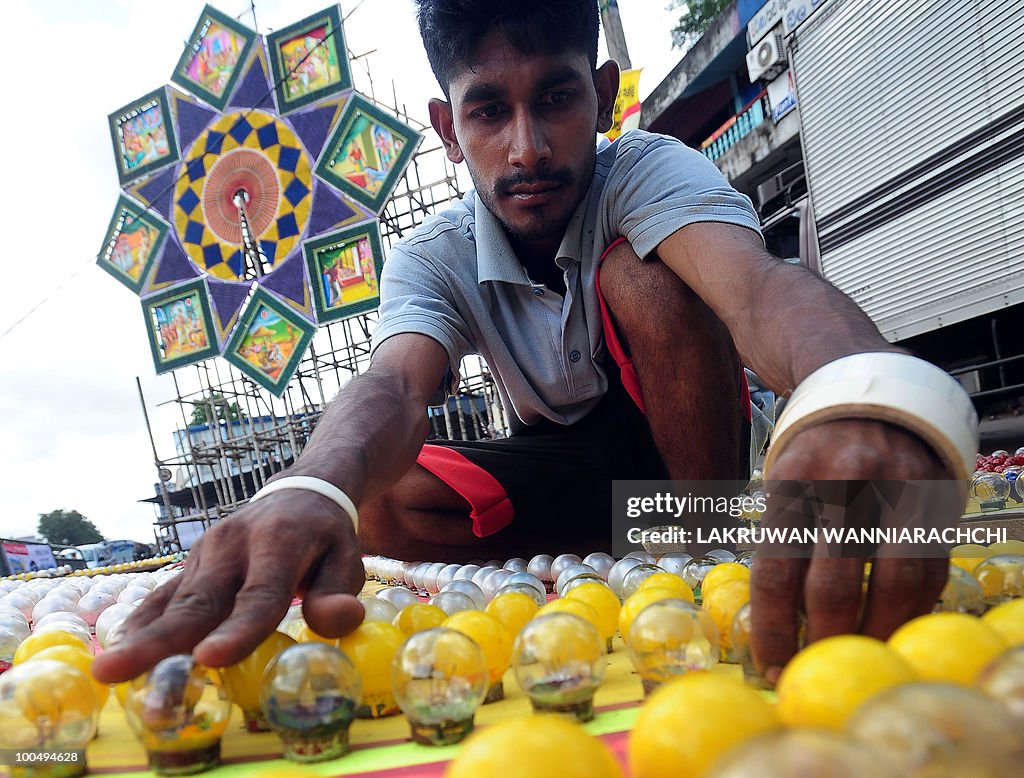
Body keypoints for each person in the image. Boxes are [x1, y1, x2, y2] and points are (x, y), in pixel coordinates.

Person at [93, 0, 976, 688]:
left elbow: (757, 289)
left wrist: (860, 390)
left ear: (598, 93)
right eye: (488, 113)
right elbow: (396, 389)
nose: (527, 149)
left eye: (555, 99)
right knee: (372, 498)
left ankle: (700, 539)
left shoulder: (649, 170)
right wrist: (310, 482)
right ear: (447, 129)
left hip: (674, 455)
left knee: (646, 276)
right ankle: (620, 543)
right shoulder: (432, 255)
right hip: (566, 464)